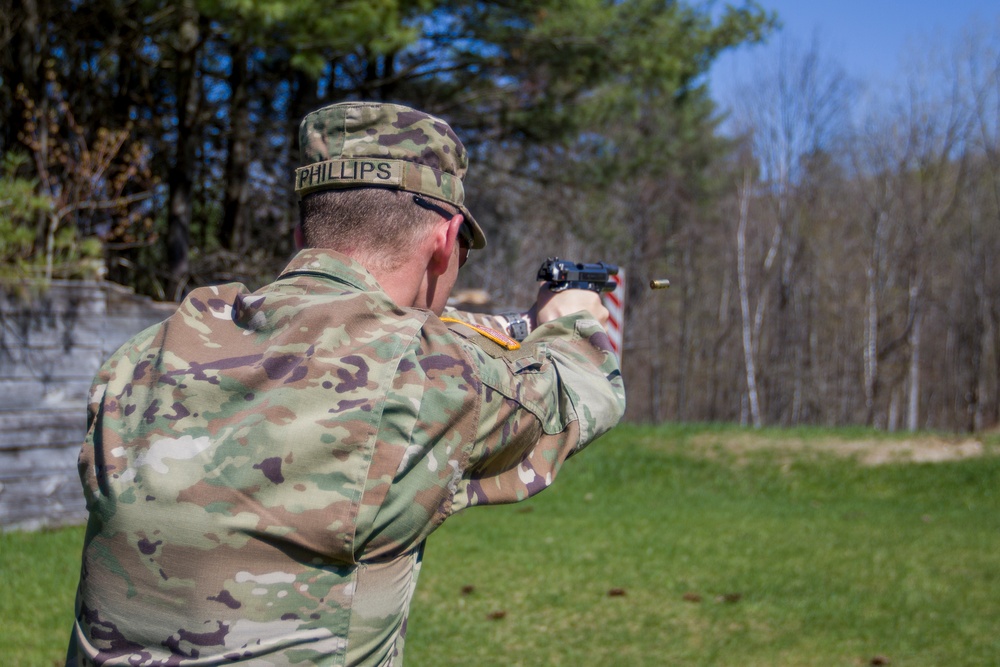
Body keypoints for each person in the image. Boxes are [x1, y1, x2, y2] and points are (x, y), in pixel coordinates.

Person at [66, 101, 626, 666]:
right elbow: (578, 392)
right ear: (444, 237)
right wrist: (570, 320)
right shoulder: (429, 379)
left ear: (301, 231)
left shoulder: (141, 358)